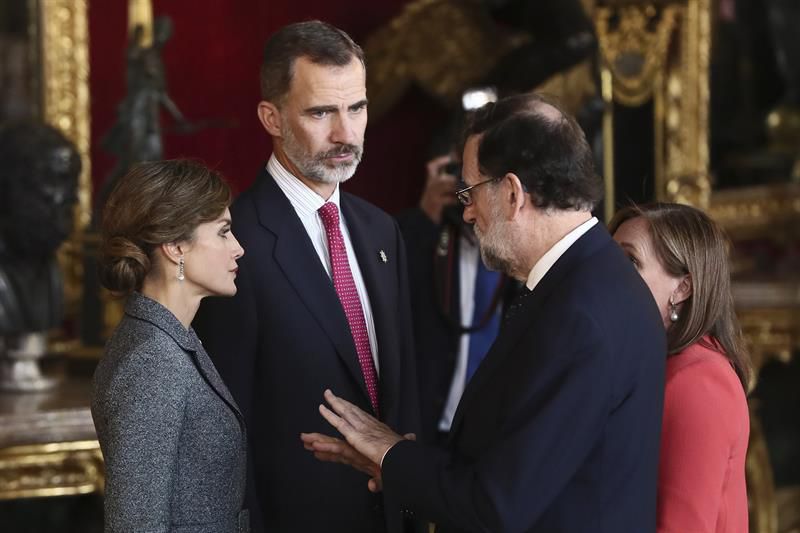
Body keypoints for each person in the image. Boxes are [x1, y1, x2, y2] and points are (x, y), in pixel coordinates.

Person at [303, 92, 667, 532]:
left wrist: (390, 454)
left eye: (471, 192)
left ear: (512, 194)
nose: (468, 212)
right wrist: (401, 459)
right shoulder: (592, 279)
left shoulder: (580, 314)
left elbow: (497, 504)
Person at [193, 21, 420, 533]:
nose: (346, 134)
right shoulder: (233, 243)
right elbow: (222, 433)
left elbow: (403, 390)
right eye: (321, 113)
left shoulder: (382, 230)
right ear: (271, 117)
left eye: (357, 108)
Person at [91, 159, 249, 533]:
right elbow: (135, 523)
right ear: (176, 246)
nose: (238, 248)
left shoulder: (167, 337)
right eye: (224, 232)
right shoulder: (152, 359)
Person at [610, 203, 751, 533]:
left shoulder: (699, 382)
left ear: (682, 288)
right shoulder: (656, 362)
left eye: (630, 261)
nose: (607, 274)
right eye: (608, 259)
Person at [397, 148, 515, 444]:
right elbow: (391, 295)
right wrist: (426, 215)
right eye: (464, 180)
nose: (470, 195)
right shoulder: (424, 237)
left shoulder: (515, 247)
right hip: (428, 423)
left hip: (491, 430)